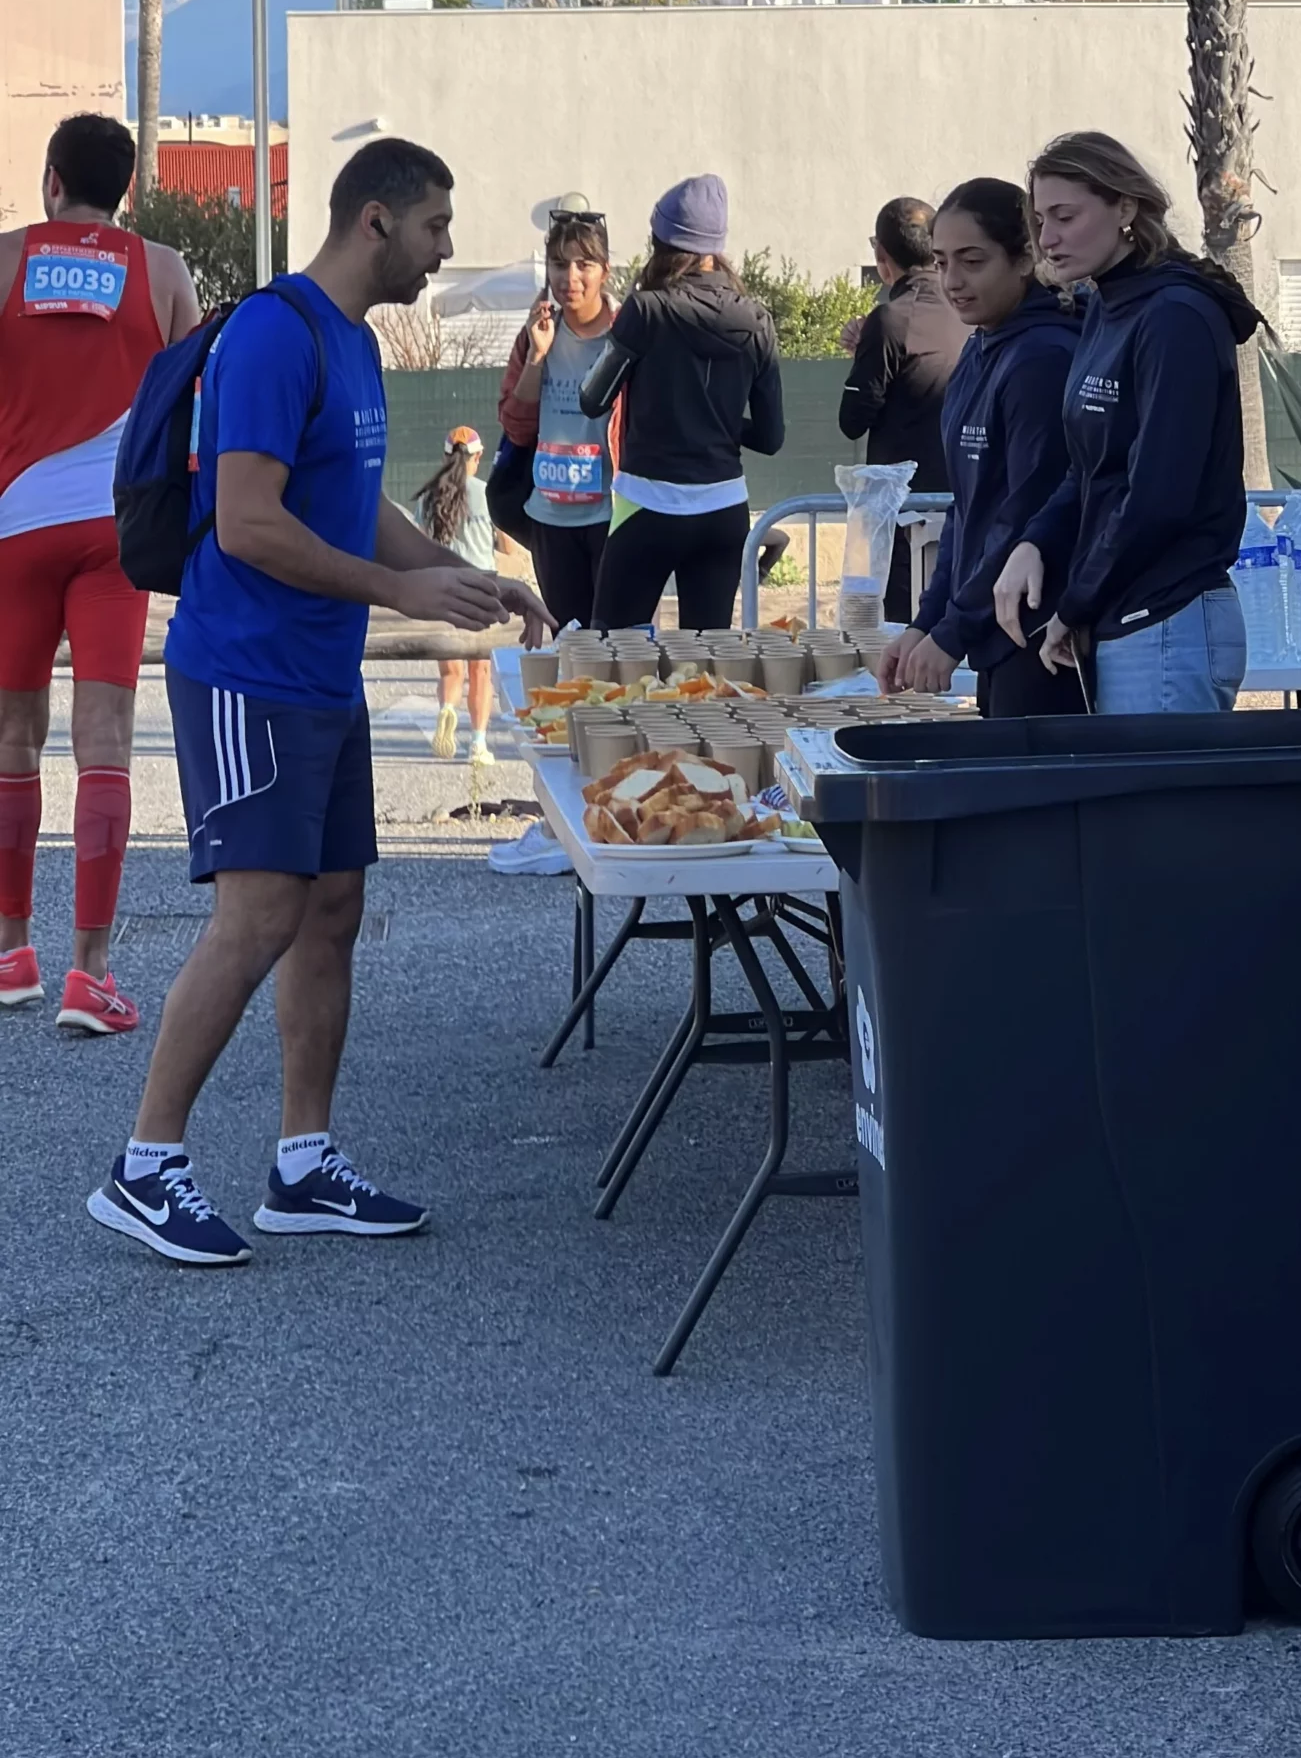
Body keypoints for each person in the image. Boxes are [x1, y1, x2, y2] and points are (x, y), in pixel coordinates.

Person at [87, 137, 552, 1267]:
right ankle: (143, 1167)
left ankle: (304, 1164)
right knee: (255, 916)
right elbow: (246, 521)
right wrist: (399, 587)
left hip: (318, 674)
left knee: (332, 904)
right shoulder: (271, 334)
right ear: (376, 220)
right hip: (247, 671)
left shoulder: (352, 343)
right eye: (437, 225)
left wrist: (460, 568)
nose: (445, 249)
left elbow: (351, 506)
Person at [0, 114, 200, 1032]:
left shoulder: (6, 261)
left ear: (50, 181)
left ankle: (11, 954)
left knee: (12, 739)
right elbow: (200, 398)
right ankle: (92, 971)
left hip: (14, 523)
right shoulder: (160, 270)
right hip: (115, 527)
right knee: (105, 735)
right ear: (127, 188)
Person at [994, 130, 1259, 715]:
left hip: (1169, 617)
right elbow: (1090, 468)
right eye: (1040, 220)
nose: (1048, 238)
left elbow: (1159, 495)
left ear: (1127, 208)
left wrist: (1075, 603)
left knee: (1165, 811)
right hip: (1125, 617)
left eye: (1065, 216)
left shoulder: (1176, 317)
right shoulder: (1107, 308)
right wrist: (1035, 541)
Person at [880, 179, 1085, 715]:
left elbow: (1026, 516)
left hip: (1040, 637)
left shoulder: (1044, 357)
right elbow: (968, 513)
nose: (953, 281)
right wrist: (926, 622)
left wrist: (953, 631)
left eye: (972, 261)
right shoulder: (979, 350)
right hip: (993, 635)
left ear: (1024, 258)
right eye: (942, 262)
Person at [580, 175, 783, 631]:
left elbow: (593, 399)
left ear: (659, 241)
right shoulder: (757, 320)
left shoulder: (645, 310)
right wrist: (720, 422)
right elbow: (772, 438)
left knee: (614, 656)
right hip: (723, 510)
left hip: (646, 506)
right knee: (706, 666)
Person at [838, 197, 966, 623]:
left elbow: (852, 418)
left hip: (903, 516)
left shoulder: (892, 319)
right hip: (964, 505)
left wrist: (865, 355)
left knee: (897, 638)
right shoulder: (971, 310)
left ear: (881, 257)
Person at [497, 208, 615, 626]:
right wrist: (538, 356)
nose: (570, 277)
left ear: (605, 270)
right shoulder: (534, 334)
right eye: (559, 264)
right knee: (569, 643)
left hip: (613, 515)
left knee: (620, 642)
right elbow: (515, 425)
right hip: (550, 518)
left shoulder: (629, 335)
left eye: (584, 264)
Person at [413, 424, 496, 761]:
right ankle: (478, 743)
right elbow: (504, 542)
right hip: (482, 587)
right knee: (480, 670)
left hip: (442, 586)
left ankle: (448, 709)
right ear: (477, 457)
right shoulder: (487, 493)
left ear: (445, 456)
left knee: (451, 670)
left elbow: (419, 543)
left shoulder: (428, 496)